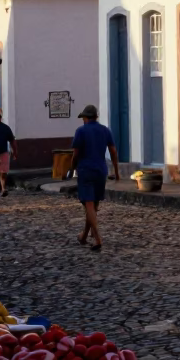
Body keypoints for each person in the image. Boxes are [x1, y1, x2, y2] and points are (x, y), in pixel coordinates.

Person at [69, 104, 120, 252]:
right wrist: (116, 172)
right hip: (100, 171)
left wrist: (71, 169)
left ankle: (97, 238)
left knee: (89, 205)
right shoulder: (105, 130)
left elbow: (75, 154)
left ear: (86, 118)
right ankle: (84, 235)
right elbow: (113, 152)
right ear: (96, 117)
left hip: (86, 170)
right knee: (93, 206)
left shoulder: (80, 131)